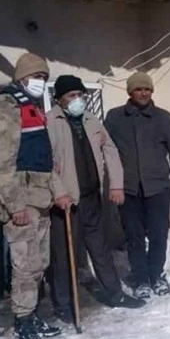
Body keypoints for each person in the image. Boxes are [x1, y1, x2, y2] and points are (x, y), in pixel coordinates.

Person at [0, 52, 61, 339]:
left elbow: (43, 158)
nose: (40, 82)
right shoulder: (4, 106)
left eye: (44, 77)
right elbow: (0, 162)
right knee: (24, 266)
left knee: (39, 263)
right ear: (20, 78)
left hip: (40, 199)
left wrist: (56, 192)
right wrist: (14, 204)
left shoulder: (33, 107)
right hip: (21, 201)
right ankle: (24, 325)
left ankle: (31, 316)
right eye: (36, 77)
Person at [46, 75, 146, 313]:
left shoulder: (91, 120)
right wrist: (58, 192)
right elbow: (45, 163)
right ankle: (64, 305)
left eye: (81, 95)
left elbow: (110, 150)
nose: (78, 100)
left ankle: (115, 294)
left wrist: (116, 184)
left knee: (101, 249)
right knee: (65, 255)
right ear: (59, 99)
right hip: (67, 201)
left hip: (91, 197)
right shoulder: (50, 122)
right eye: (72, 96)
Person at [104, 72, 170, 299]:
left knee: (158, 233)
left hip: (157, 186)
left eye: (147, 89)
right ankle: (141, 278)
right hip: (128, 187)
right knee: (133, 235)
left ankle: (156, 275)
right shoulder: (115, 118)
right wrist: (112, 184)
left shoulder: (163, 118)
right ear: (130, 92)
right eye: (138, 89)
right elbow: (106, 150)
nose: (143, 93)